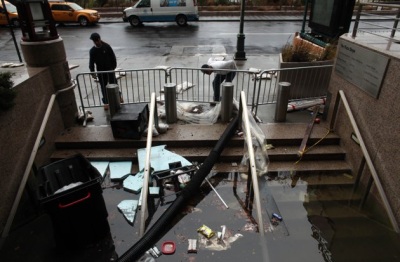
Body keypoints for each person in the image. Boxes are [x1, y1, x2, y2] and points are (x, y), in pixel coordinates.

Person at [89, 32, 121, 110]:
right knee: (103, 87)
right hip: (100, 71)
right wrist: (92, 71)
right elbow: (91, 62)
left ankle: (119, 97)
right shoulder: (92, 51)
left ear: (99, 39)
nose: (96, 42)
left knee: (114, 84)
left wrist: (113, 67)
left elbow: (113, 57)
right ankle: (106, 102)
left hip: (109, 69)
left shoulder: (107, 47)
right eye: (94, 41)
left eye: (97, 40)